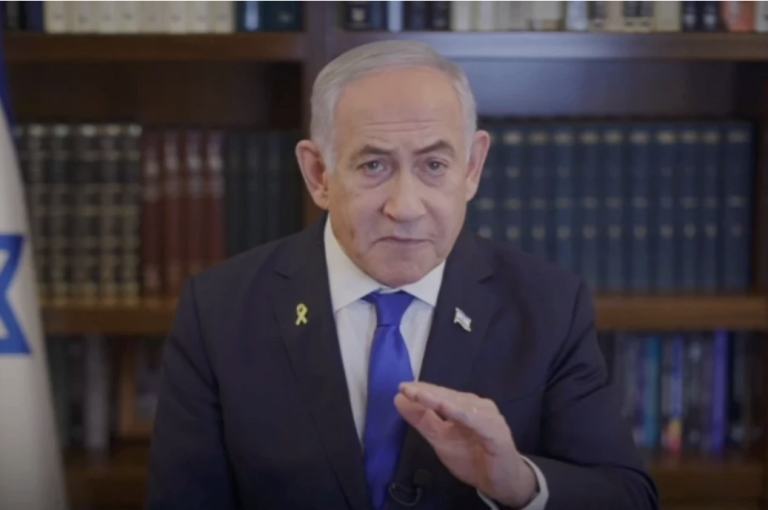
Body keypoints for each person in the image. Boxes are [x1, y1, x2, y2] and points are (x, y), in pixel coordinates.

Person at [145, 40, 659, 510]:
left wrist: (518, 483)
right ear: (319, 174)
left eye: (434, 165)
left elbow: (628, 497)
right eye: (374, 166)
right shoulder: (219, 310)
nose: (406, 207)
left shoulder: (549, 305)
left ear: (472, 168)